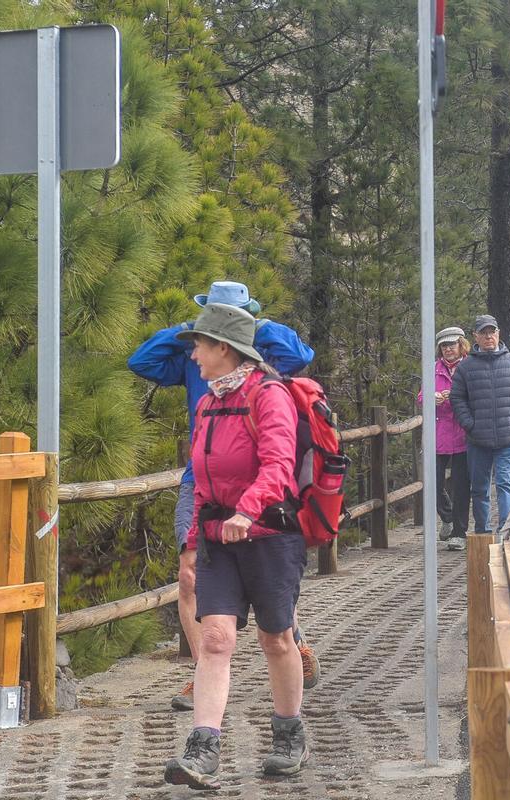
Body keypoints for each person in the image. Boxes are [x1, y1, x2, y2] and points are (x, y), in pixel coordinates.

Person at [127, 280, 319, 712]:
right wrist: (192, 329)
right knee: (190, 575)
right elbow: (140, 361)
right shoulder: (194, 362)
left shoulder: (263, 365)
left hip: (262, 492)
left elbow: (301, 356)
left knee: (272, 591)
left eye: (206, 338)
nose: (195, 353)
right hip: (204, 482)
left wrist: (251, 327)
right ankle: (202, 673)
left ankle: (293, 642)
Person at [164, 303, 310, 788]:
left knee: (276, 638)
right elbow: (201, 477)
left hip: (269, 537)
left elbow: (278, 464)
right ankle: (202, 749)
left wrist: (247, 510)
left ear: (224, 349)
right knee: (215, 639)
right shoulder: (208, 403)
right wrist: (191, 540)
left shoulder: (270, 396)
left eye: (200, 346)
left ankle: (289, 734)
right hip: (217, 541)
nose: (195, 357)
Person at [449, 314, 510, 537]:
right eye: (484, 333)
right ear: (475, 336)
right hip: (478, 439)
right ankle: (482, 532)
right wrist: (469, 424)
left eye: (492, 332)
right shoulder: (466, 367)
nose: (488, 337)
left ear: (498, 334)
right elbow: (457, 398)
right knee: (479, 487)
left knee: (505, 483)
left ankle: (505, 530)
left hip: (508, 437)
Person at [419, 327, 471, 551]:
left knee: (461, 486)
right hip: (438, 435)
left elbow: (478, 395)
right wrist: (432, 398)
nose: (448, 349)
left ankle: (459, 533)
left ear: (461, 344)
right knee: (433, 483)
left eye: (452, 344)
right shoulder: (433, 369)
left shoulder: (470, 367)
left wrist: (458, 397)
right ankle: (448, 517)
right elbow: (421, 397)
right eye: (444, 346)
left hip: (463, 435)